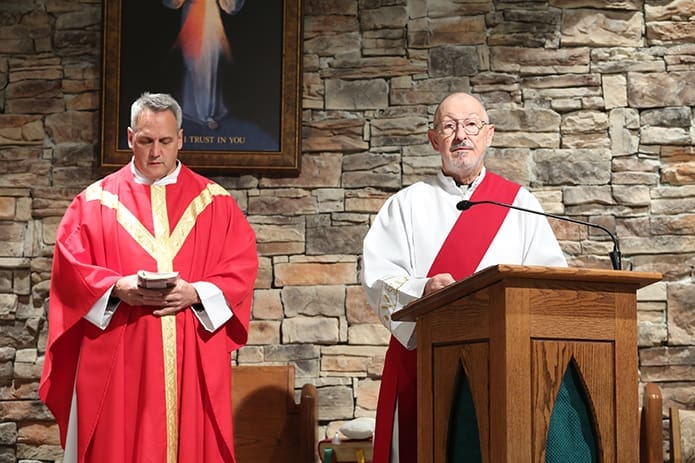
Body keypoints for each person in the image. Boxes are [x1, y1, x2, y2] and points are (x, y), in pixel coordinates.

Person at [39, 92, 258, 463]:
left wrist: (197, 292)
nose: (156, 151)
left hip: (191, 356)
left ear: (181, 140)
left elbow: (240, 268)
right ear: (129, 138)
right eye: (146, 141)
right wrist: (114, 288)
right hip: (120, 356)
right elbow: (71, 271)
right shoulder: (93, 204)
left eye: (165, 141)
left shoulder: (216, 204)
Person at [360, 92, 568, 463]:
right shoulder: (405, 205)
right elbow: (378, 279)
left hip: (505, 367)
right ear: (433, 139)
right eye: (449, 126)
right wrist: (422, 289)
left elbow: (550, 283)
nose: (461, 136)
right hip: (425, 361)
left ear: (488, 134)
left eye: (471, 124)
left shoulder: (519, 204)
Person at [163, 0, 245, 130]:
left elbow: (229, 5)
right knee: (194, 64)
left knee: (211, 62)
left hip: (212, 17)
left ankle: (207, 112)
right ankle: (196, 110)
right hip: (193, 16)